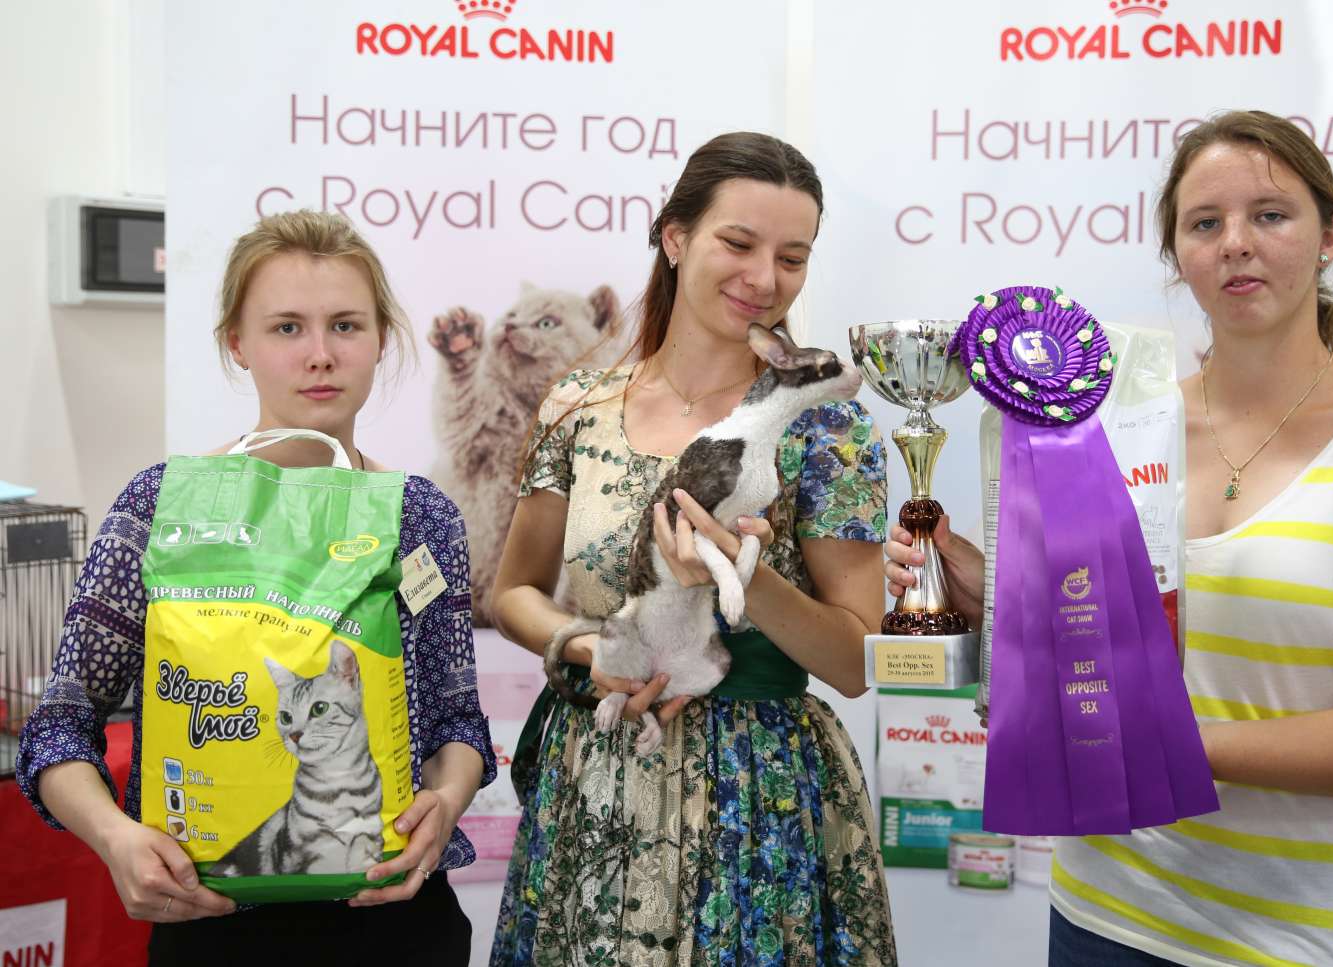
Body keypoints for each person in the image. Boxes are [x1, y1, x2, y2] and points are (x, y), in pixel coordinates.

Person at [886, 110, 1333, 966]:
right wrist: (987, 595)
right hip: (1102, 912)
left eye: (1270, 215)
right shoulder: (1122, 427)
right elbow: (1095, 634)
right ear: (1177, 255)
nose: (1236, 243)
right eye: (1205, 223)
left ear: (1332, 237)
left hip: (1301, 940)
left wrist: (1158, 741)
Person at [16, 211, 497, 965]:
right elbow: (58, 728)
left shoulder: (420, 516)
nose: (320, 354)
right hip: (211, 925)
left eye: (346, 325)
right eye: (286, 328)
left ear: (381, 340)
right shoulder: (160, 507)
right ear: (237, 343)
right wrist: (115, 838)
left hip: (397, 926)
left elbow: (455, 722)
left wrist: (447, 801)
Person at [488, 132, 898, 965]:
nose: (765, 278)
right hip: (597, 781)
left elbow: (857, 661)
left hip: (760, 799)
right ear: (675, 237)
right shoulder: (577, 405)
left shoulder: (830, 425)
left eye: (792, 257)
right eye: (738, 243)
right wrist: (594, 647)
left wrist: (744, 571)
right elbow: (513, 594)